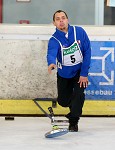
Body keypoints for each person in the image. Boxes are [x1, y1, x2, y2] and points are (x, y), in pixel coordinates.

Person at [47, 10, 91, 132]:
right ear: (54, 23)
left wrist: (84, 73)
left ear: (68, 20)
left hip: (79, 72)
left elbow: (87, 52)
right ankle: (74, 106)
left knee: (79, 94)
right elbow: (51, 53)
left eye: (63, 18)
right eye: (57, 19)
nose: (61, 21)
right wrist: (51, 63)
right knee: (63, 101)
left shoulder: (80, 32)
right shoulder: (54, 40)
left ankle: (73, 121)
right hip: (64, 74)